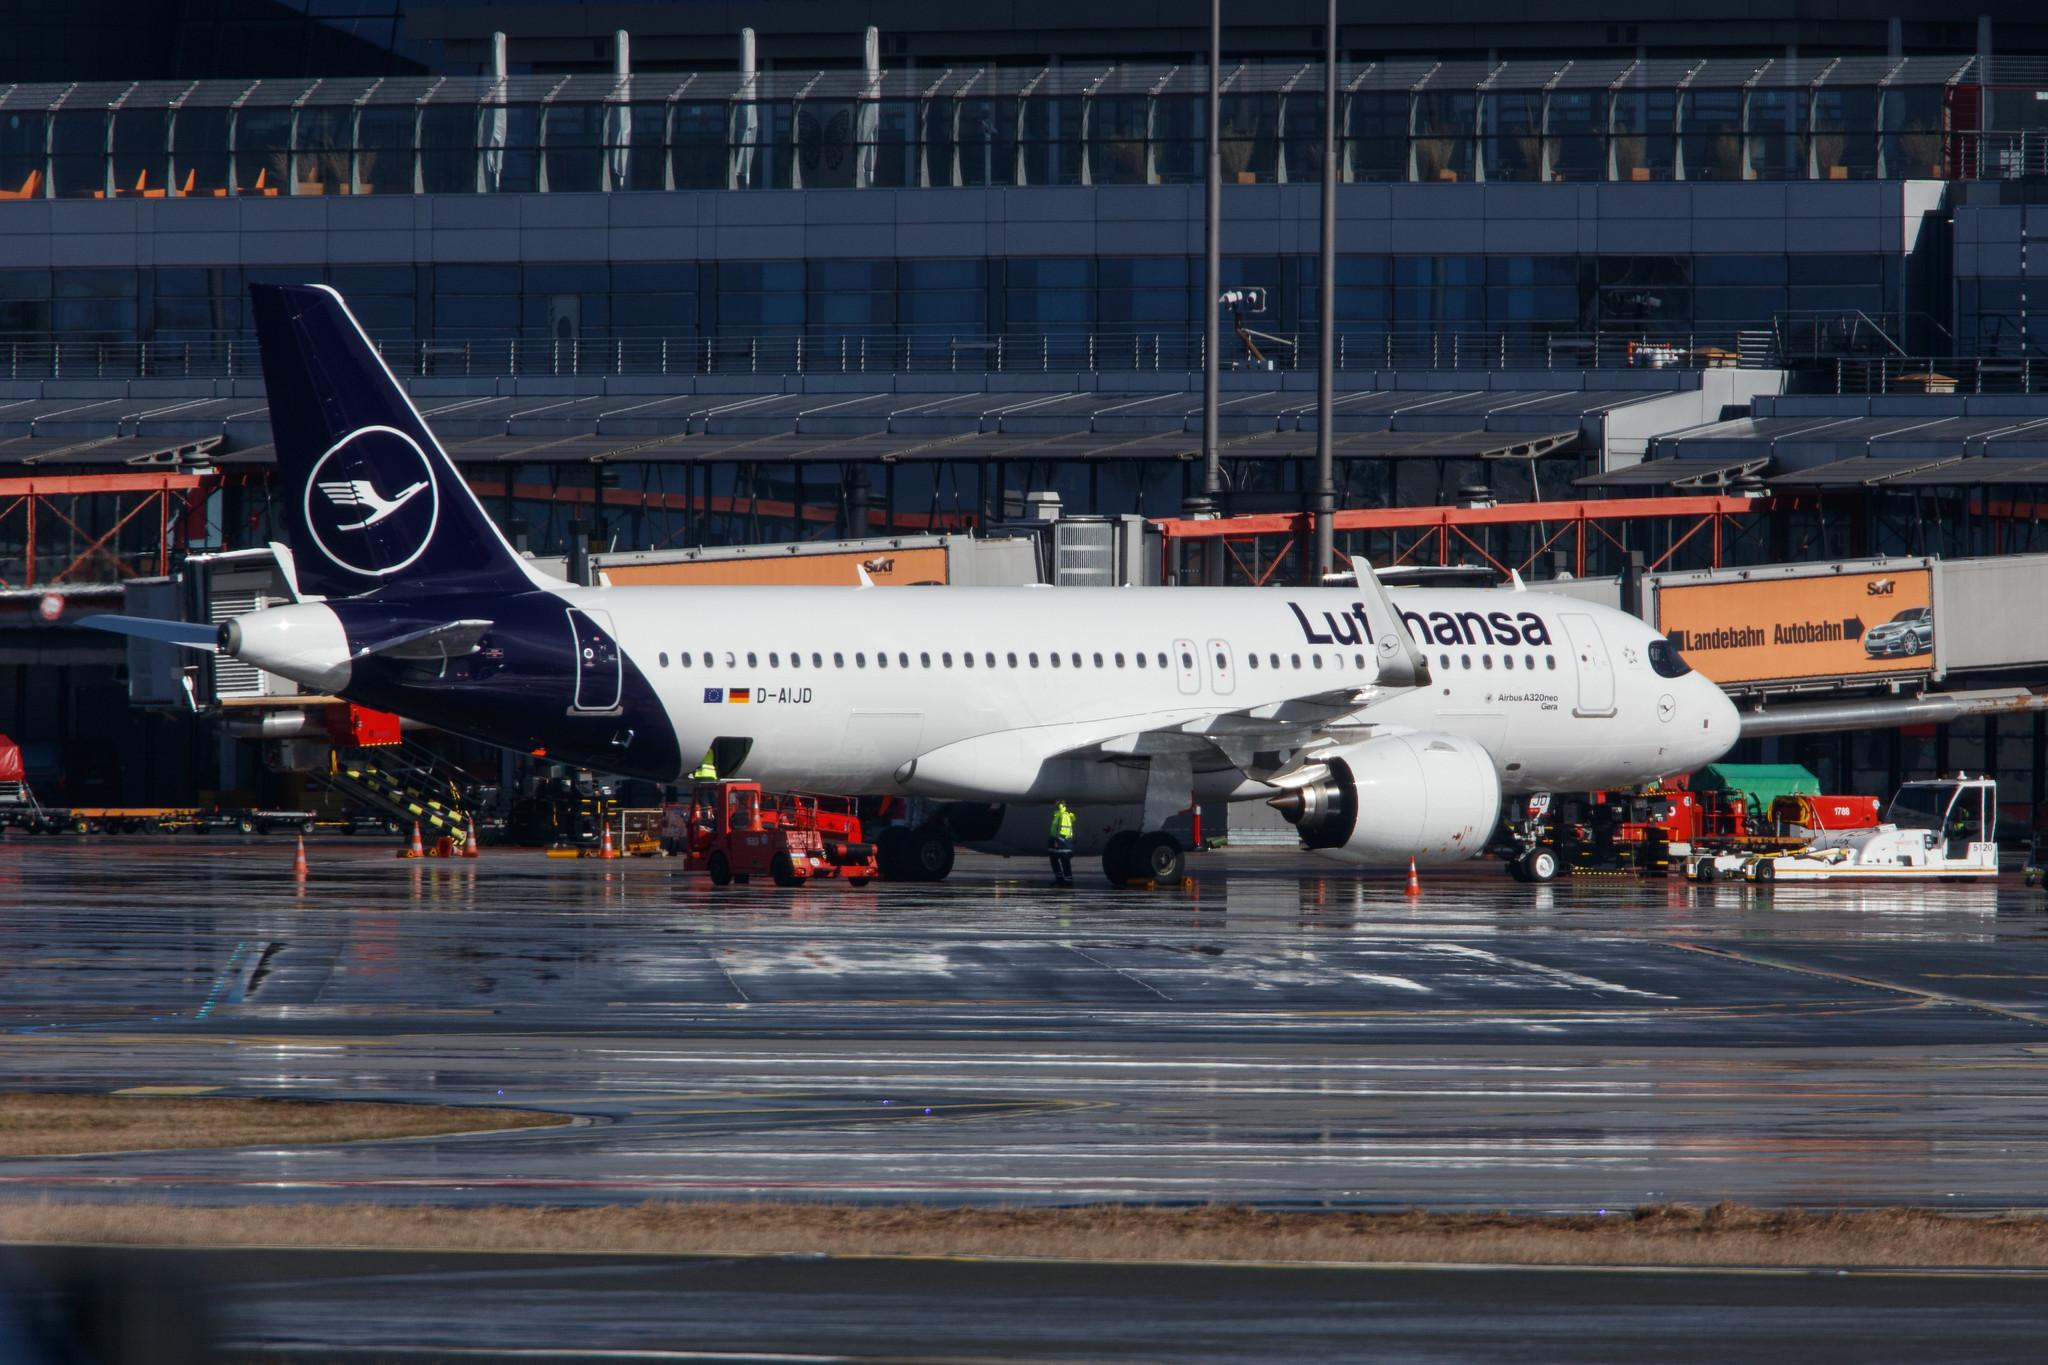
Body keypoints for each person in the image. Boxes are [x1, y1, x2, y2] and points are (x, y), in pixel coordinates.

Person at [1048, 800, 1076, 885]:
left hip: (1061, 842)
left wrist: (1058, 840)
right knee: (1055, 859)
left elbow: (1064, 830)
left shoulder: (1063, 815)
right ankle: (1060, 878)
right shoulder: (1059, 815)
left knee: (1064, 860)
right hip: (1057, 840)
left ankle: (1067, 880)